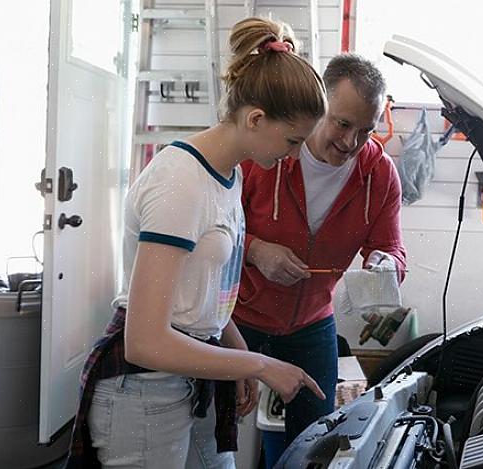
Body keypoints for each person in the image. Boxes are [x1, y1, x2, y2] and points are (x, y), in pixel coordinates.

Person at [65, 18, 327, 469]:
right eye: (292, 140)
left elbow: (201, 292)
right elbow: (144, 341)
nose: (294, 153)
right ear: (256, 118)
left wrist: (238, 350)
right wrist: (258, 367)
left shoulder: (230, 176)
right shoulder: (180, 180)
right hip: (145, 390)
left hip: (192, 374)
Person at [235, 53, 407, 468]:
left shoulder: (380, 175)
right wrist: (256, 251)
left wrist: (385, 266)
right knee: (219, 427)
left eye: (365, 130)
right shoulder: (265, 154)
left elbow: (393, 250)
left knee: (315, 444)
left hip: (312, 323)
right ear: (319, 107)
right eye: (342, 124)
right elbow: (213, 235)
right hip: (237, 317)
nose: (350, 142)